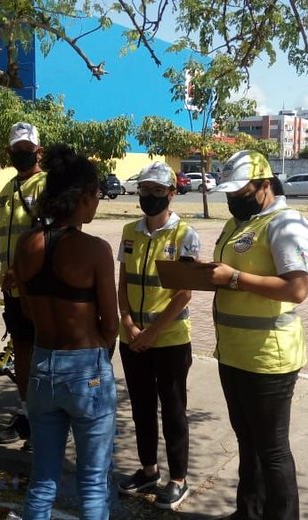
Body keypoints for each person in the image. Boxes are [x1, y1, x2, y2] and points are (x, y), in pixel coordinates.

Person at [206, 150, 308, 520]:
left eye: (241, 192)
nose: (234, 199)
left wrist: (233, 278)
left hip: (269, 356)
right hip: (234, 352)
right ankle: (247, 512)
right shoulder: (239, 223)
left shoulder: (286, 224)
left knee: (271, 449)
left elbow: (297, 289)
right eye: (230, 193)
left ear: (265, 185)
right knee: (247, 441)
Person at [13, 144, 118, 520]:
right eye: (96, 196)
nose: (98, 204)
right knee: (92, 481)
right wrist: (101, 350)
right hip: (86, 370)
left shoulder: (26, 245)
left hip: (42, 367)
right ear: (82, 197)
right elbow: (112, 322)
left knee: (42, 481)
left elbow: (27, 308)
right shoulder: (95, 250)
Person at [116, 162, 200, 510]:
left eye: (157, 191)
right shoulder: (129, 231)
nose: (149, 196)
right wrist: (127, 321)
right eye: (145, 190)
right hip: (132, 338)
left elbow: (184, 293)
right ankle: (149, 470)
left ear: (172, 193)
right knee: (141, 408)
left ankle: (178, 479)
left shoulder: (185, 236)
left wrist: (152, 332)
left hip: (169, 340)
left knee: (173, 409)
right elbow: (122, 281)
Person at [0, 122, 46, 450]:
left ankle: (45, 421)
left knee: (43, 354)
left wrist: (22, 271)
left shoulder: (47, 186)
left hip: (38, 287)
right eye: (16, 150)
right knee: (21, 349)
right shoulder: (7, 189)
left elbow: (50, 237)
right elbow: (5, 234)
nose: (21, 154)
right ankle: (25, 415)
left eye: (27, 149)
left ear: (39, 151)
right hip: (12, 286)